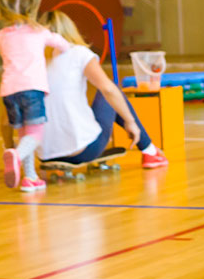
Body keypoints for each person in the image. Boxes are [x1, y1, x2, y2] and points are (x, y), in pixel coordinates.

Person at [33, 10, 169, 170]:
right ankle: (149, 151)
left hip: (44, 154)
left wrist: (12, 150)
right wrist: (130, 122)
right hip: (83, 151)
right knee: (111, 88)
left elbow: (8, 116)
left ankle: (149, 150)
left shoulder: (34, 62)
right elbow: (108, 90)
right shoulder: (78, 53)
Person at [0, 0, 71, 192]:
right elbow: (63, 45)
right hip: (32, 89)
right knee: (35, 135)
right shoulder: (39, 32)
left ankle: (30, 177)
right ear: (32, 8)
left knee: (23, 134)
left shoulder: (2, 36)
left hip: (9, 91)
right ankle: (17, 156)